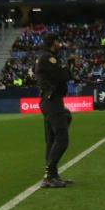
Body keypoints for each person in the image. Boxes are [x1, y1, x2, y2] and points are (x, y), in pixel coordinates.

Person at [35, 33, 74, 189]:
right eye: (58, 41)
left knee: (53, 137)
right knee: (62, 138)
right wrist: (68, 67)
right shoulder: (48, 58)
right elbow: (64, 76)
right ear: (54, 42)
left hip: (51, 100)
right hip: (51, 101)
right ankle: (49, 176)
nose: (60, 44)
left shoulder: (45, 57)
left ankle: (53, 174)